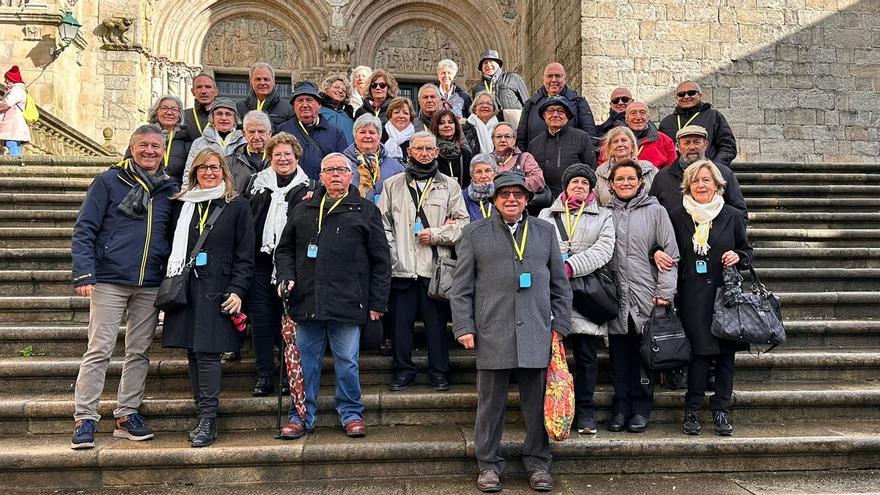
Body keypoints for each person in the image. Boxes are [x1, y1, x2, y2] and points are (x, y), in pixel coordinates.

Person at [450, 171, 572, 493]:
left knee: (536, 404)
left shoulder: (545, 232)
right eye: (504, 194)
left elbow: (561, 284)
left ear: (527, 200)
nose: (511, 199)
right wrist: (464, 326)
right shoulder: (475, 233)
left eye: (518, 194)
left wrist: (560, 324)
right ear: (494, 199)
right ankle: (488, 464)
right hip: (492, 330)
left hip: (536, 330)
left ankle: (538, 463)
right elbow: (460, 288)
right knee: (490, 405)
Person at [70, 125, 178, 449]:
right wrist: (83, 273)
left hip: (150, 281)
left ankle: (126, 414)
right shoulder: (109, 181)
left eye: (155, 146)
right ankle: (85, 418)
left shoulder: (169, 189)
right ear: (131, 147)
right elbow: (85, 227)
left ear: (163, 150)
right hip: (109, 278)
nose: (149, 151)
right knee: (99, 349)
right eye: (143, 145)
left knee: (139, 351)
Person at [275, 153, 392, 439]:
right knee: (304, 362)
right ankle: (300, 415)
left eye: (342, 170)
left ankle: (351, 414)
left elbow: (381, 259)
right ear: (322, 176)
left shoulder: (365, 210)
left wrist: (377, 302)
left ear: (351, 175)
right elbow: (285, 249)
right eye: (329, 170)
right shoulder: (303, 209)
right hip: (307, 299)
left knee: (347, 361)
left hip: (348, 300)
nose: (336, 175)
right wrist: (286, 275)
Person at [162, 148, 254, 448]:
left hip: (219, 287)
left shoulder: (236, 205)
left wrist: (238, 290)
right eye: (203, 168)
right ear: (194, 173)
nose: (209, 173)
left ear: (224, 171)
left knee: (209, 353)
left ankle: (208, 418)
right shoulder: (181, 204)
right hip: (186, 286)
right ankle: (202, 412)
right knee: (191, 350)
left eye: (215, 168)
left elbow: (245, 254)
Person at [665, 160, 752, 437]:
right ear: (688, 185)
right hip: (692, 297)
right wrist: (657, 250)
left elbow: (747, 252)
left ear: (717, 184)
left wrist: (739, 257)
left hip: (724, 297)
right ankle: (691, 410)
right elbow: (664, 245)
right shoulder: (677, 215)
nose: (701, 185)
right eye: (696, 181)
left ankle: (721, 410)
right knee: (699, 356)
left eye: (706, 180)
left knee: (725, 358)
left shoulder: (732, 215)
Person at [378, 131, 469, 393]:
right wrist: (394, 253)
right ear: (410, 152)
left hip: (435, 268)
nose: (425, 153)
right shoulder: (392, 184)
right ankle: (403, 371)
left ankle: (439, 373)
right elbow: (382, 225)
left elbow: (463, 223)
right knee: (400, 326)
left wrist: (438, 234)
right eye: (419, 149)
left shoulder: (450, 185)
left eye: (430, 149)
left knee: (437, 327)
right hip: (402, 268)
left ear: (437, 153)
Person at [537, 164, 615, 436]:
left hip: (585, 293)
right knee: (550, 357)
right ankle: (549, 409)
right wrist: (559, 269)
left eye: (585, 183)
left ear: (591, 188)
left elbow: (603, 250)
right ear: (566, 186)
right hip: (552, 293)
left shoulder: (603, 216)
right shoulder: (547, 214)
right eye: (574, 182)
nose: (579, 186)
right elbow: (539, 247)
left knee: (586, 357)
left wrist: (570, 267)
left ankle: (585, 413)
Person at [604, 159, 679, 434]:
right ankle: (621, 406)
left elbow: (670, 255)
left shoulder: (656, 211)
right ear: (611, 184)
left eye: (630, 179)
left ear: (640, 182)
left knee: (645, 357)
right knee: (619, 358)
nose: (625, 183)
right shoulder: (604, 213)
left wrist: (664, 293)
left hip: (647, 296)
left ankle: (641, 407)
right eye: (620, 179)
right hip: (616, 299)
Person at [242, 132, 312, 397]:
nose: (283, 159)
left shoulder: (310, 187)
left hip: (292, 265)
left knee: (289, 322)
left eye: (288, 154)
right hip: (260, 263)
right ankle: (264, 375)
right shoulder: (255, 185)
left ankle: (287, 374)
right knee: (261, 322)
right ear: (269, 158)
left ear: (296, 157)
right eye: (277, 154)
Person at [650, 125, 747, 221]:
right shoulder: (662, 177)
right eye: (686, 143)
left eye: (697, 142)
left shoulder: (724, 174)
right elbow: (652, 213)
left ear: (705, 145)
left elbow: (739, 214)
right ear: (678, 147)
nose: (692, 147)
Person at [517, 62, 597, 152]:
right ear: (543, 79)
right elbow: (521, 140)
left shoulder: (578, 102)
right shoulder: (531, 104)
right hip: (536, 160)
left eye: (558, 76)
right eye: (550, 76)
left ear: (565, 79)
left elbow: (589, 137)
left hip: (571, 160)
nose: (554, 80)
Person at [527, 96, 596, 199]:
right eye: (550, 111)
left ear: (567, 116)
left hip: (574, 200)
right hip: (543, 201)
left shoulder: (582, 137)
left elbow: (591, 169)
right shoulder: (534, 143)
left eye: (560, 111)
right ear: (544, 116)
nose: (555, 115)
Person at [278, 81, 348, 180]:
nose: (304, 105)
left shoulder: (336, 133)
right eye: (300, 100)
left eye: (309, 100)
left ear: (319, 104)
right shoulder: (282, 131)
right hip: (291, 191)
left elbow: (343, 166)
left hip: (323, 191)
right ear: (293, 106)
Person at [659, 81, 737, 168]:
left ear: (700, 95)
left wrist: (714, 168)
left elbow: (728, 146)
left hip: (706, 173)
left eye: (691, 93)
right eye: (681, 94)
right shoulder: (666, 123)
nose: (686, 96)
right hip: (676, 175)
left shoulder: (714, 116)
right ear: (676, 98)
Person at [345, 113, 405, 203]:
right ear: (354, 136)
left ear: (379, 136)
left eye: (372, 132)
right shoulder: (342, 164)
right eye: (362, 132)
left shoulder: (396, 167)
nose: (367, 136)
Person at [595, 126, 657, 206]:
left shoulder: (649, 169)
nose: (620, 144)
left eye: (624, 140)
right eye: (615, 142)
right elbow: (595, 202)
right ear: (610, 148)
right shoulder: (601, 172)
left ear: (632, 146)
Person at [184, 98, 245, 178]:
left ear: (235, 119)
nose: (223, 118)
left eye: (228, 114)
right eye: (219, 114)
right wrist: (186, 190)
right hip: (207, 189)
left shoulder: (243, 143)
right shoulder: (199, 143)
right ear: (212, 117)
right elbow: (189, 174)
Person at [235, 62, 294, 131]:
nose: (262, 83)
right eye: (258, 79)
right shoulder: (239, 108)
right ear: (251, 81)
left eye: (266, 79)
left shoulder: (288, 108)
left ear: (273, 82)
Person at [491, 122, 545, 194]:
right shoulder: (487, 159)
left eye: (507, 136)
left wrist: (513, 182)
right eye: (498, 136)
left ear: (514, 140)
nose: (503, 140)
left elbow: (539, 181)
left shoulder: (525, 157)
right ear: (493, 140)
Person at [145, 94, 189, 181]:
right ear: (156, 113)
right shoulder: (143, 135)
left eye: (174, 109)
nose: (169, 113)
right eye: (164, 108)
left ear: (179, 114)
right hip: (147, 189)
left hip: (176, 191)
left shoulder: (186, 139)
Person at [471, 49, 530, 114]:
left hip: (515, 122)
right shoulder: (477, 88)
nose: (488, 65)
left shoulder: (512, 78)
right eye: (485, 63)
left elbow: (527, 103)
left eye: (491, 61)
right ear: (481, 68)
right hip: (492, 123)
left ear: (498, 64)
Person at [229, 111, 272, 193]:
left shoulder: (280, 159)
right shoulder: (231, 161)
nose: (256, 137)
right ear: (244, 134)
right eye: (251, 132)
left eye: (261, 131)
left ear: (269, 133)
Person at [626, 100, 677, 169]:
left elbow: (673, 170)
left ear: (648, 117)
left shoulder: (664, 140)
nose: (638, 117)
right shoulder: (616, 140)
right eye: (633, 113)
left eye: (642, 113)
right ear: (626, 118)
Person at [432, 109, 473, 189]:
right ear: (436, 127)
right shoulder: (431, 153)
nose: (447, 125)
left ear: (455, 126)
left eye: (450, 122)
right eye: (441, 123)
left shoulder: (465, 154)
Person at [0, 65, 31, 156]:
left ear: (11, 79)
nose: (5, 81)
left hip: (12, 123)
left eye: (7, 79)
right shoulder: (16, 90)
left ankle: (16, 164)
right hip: (13, 123)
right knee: (13, 143)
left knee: (11, 143)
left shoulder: (16, 90)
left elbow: (8, 102)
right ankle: (19, 164)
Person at [181, 70, 218, 143]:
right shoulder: (182, 116)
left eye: (208, 87)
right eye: (199, 87)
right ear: (192, 91)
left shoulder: (224, 117)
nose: (203, 91)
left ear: (215, 92)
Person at [318, 75, 356, 145]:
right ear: (327, 88)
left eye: (344, 90)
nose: (340, 91)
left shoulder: (348, 115)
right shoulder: (318, 111)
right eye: (336, 87)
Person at [461, 154, 497, 221]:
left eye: (488, 170)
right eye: (478, 172)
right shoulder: (463, 196)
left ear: (495, 173)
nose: (483, 176)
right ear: (472, 176)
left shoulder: (501, 193)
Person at [462, 91, 499, 155]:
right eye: (481, 103)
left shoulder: (500, 128)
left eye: (489, 104)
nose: (485, 106)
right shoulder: (466, 127)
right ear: (474, 109)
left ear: (494, 109)